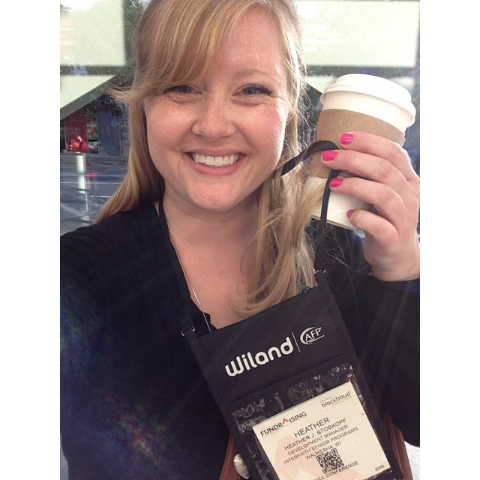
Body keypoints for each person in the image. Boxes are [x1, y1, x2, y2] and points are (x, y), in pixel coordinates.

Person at [60, 0, 420, 478]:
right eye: (181, 87)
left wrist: (403, 272)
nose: (212, 125)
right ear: (145, 104)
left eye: (252, 90)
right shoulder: (79, 279)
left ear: (290, 108)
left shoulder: (342, 258)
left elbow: (428, 420)